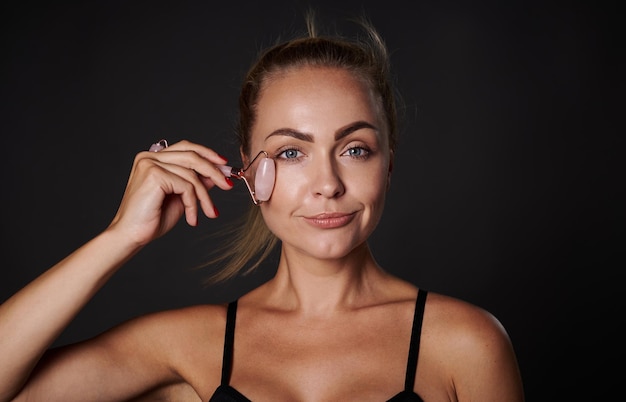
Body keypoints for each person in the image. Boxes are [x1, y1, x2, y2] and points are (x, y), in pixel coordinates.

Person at [0, 12, 525, 402]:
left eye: (355, 149)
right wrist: (119, 238)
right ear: (250, 171)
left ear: (388, 163)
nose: (328, 184)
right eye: (292, 152)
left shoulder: (464, 343)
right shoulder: (191, 345)